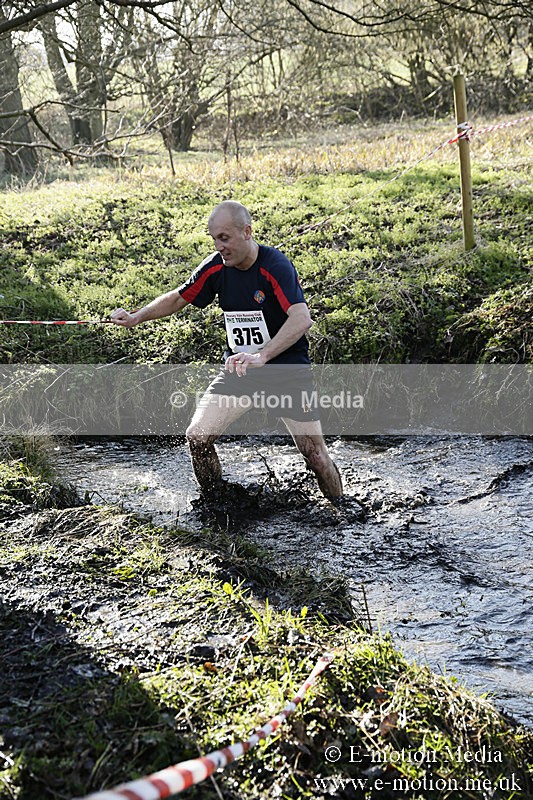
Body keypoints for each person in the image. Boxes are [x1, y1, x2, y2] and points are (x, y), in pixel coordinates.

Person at [110, 200, 343, 500]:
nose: (219, 246)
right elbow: (179, 298)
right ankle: (217, 506)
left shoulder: (275, 266)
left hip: (286, 372)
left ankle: (341, 511)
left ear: (247, 232)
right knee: (197, 437)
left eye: (224, 238)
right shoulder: (216, 267)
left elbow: (301, 318)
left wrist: (262, 355)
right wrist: (136, 317)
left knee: (316, 456)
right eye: (214, 239)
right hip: (240, 372)